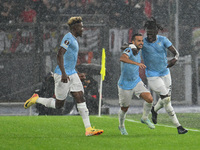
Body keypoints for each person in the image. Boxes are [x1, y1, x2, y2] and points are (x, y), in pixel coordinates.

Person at [24, 16, 103, 136]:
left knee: (80, 97)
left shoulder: (75, 39)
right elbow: (59, 54)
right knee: (58, 104)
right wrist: (64, 73)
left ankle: (88, 129)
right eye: (81, 26)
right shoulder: (68, 37)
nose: (83, 29)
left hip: (72, 73)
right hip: (62, 74)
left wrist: (74, 72)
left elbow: (69, 59)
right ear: (75, 27)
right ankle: (36, 99)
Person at [142, 17, 188, 134]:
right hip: (152, 76)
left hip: (165, 73)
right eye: (148, 33)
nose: (149, 36)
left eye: (152, 33)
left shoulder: (163, 40)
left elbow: (176, 53)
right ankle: (179, 127)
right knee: (166, 99)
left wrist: (175, 59)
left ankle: (154, 110)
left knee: (166, 99)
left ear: (157, 32)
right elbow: (133, 47)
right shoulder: (143, 43)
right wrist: (129, 48)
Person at [118, 33, 155, 135]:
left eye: (142, 41)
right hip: (124, 84)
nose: (141, 42)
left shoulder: (137, 49)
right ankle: (121, 126)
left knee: (150, 99)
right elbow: (122, 58)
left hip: (136, 81)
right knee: (124, 108)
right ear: (133, 42)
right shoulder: (129, 50)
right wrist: (137, 63)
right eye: (139, 41)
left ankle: (144, 117)